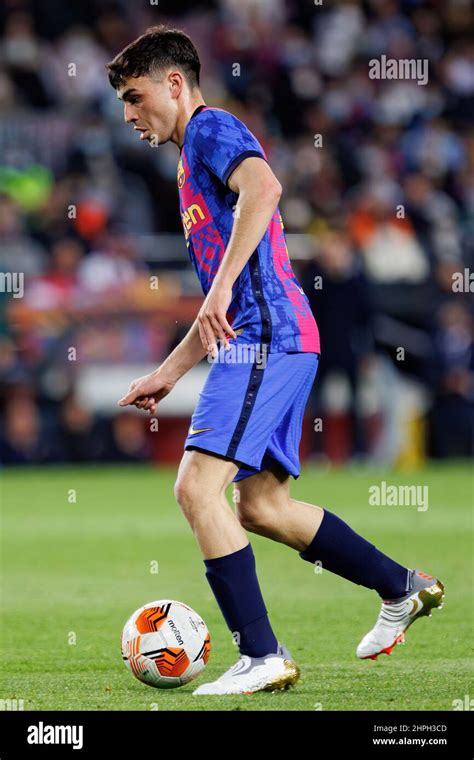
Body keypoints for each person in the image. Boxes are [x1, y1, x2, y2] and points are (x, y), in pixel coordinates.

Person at [109, 25, 444, 696]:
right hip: (276, 339)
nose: (129, 116)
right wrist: (171, 371)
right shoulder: (188, 162)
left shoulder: (209, 129)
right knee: (259, 504)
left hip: (268, 338)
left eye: (137, 97)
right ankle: (401, 587)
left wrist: (229, 284)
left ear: (175, 84)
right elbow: (216, 300)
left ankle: (262, 654)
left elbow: (265, 189)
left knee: (195, 488)